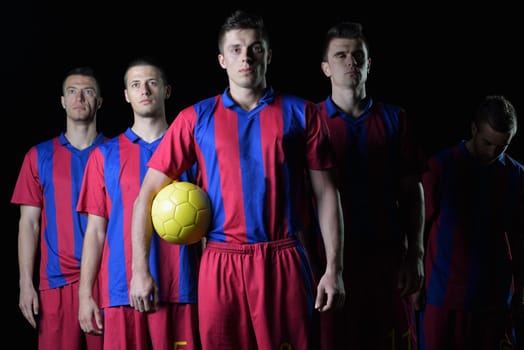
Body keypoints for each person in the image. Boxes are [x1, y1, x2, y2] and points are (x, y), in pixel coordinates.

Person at [130, 10, 345, 350]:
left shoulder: (302, 113)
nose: (245, 57)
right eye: (235, 49)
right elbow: (146, 196)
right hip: (220, 261)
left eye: (254, 48)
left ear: (268, 55)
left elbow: (327, 194)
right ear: (221, 59)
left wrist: (334, 268)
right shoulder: (194, 118)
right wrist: (139, 270)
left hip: (283, 258)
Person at [314, 21, 426, 349]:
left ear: (369, 64)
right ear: (326, 67)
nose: (350, 62)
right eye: (341, 55)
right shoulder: (310, 120)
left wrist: (415, 255)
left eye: (357, 55)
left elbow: (412, 192)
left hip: (387, 260)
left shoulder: (396, 118)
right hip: (330, 264)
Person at [77, 57, 201, 350]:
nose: (144, 90)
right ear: (126, 95)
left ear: (166, 91)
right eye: (135, 85)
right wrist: (85, 295)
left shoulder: (193, 148)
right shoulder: (104, 155)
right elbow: (95, 231)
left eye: (152, 83)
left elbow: (208, 224)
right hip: (121, 291)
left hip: (182, 288)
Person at [417, 94, 524, 350]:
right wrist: (415, 281)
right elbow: (417, 228)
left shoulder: (516, 174)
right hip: (443, 297)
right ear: (474, 129)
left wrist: (520, 292)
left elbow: (520, 238)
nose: (492, 152)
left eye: (502, 147)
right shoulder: (440, 167)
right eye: (487, 142)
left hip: (495, 300)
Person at [11, 66, 106, 350]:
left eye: (88, 91)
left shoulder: (115, 152)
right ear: (63, 101)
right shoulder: (38, 155)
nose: (79, 97)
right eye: (72, 91)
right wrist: (25, 283)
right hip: (56, 283)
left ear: (99, 101)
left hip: (106, 281)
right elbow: (28, 224)